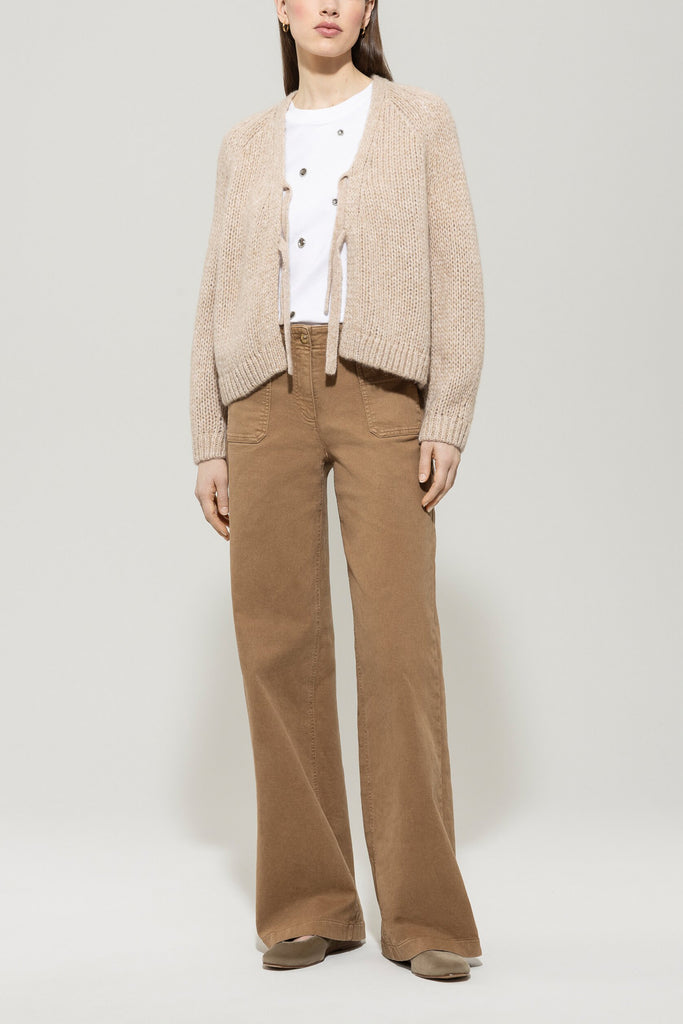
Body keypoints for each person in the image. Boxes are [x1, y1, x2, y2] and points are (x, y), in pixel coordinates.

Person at [189, 0, 486, 982]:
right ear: (279, 8)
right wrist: (208, 436)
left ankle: (424, 916)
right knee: (277, 644)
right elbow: (213, 292)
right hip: (261, 391)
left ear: (366, 8)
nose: (327, 4)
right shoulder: (243, 143)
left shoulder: (420, 120)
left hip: (378, 387)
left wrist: (445, 413)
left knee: (398, 642)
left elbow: (457, 271)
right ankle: (309, 905)